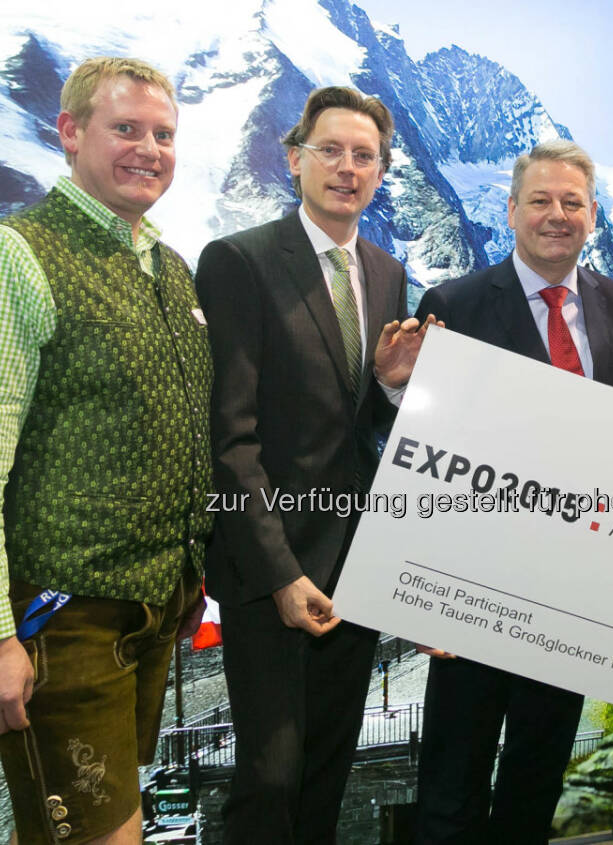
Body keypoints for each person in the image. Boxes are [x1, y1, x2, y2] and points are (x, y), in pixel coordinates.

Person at [0, 57, 208, 844]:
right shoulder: (7, 258)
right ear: (71, 133)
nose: (149, 149)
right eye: (126, 129)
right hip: (61, 620)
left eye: (163, 135)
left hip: (144, 615)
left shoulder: (167, 268)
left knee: (67, 827)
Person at [193, 86, 431, 844]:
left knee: (329, 769)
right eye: (331, 150)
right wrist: (280, 573)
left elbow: (361, 426)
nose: (347, 168)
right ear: (295, 159)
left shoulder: (387, 274)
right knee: (269, 778)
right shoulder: (240, 261)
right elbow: (229, 436)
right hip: (272, 570)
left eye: (365, 156)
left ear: (382, 173)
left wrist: (391, 385)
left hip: (354, 569)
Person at [410, 139, 613, 845]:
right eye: (540, 200)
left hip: (571, 592)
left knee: (534, 782)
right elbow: (420, 456)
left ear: (593, 214)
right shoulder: (453, 303)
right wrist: (420, 591)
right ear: (511, 210)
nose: (556, 215)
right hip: (473, 594)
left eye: (572, 202)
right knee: (452, 789)